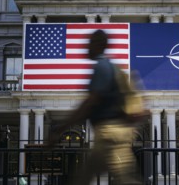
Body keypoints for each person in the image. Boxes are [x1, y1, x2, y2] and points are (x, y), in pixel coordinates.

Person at [48, 29, 141, 185]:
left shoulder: (102, 67)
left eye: (90, 43)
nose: (87, 47)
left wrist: (60, 128)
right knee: (122, 179)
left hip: (108, 135)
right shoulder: (113, 68)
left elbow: (90, 103)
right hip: (118, 135)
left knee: (83, 179)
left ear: (99, 45)